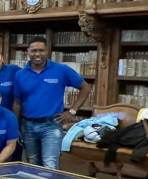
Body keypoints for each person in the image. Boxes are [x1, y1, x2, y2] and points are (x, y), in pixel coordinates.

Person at [13, 37, 92, 169]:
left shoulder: (61, 70)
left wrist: (72, 111)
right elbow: (17, 103)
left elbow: (86, 87)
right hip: (27, 126)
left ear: (47, 51)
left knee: (50, 165)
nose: (37, 54)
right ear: (28, 52)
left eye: (41, 50)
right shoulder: (20, 74)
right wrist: (16, 126)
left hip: (51, 125)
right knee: (33, 164)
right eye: (33, 50)